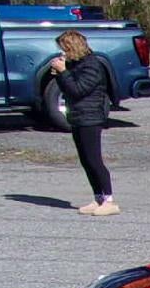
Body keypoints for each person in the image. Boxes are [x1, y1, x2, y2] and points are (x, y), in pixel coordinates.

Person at [51, 30, 119, 216]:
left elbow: (78, 90)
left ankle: (109, 200)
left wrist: (63, 72)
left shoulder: (92, 65)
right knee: (85, 160)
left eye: (65, 49)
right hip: (78, 116)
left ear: (73, 47)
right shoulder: (76, 64)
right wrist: (60, 73)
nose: (62, 53)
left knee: (94, 159)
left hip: (91, 117)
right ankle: (98, 197)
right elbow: (69, 88)